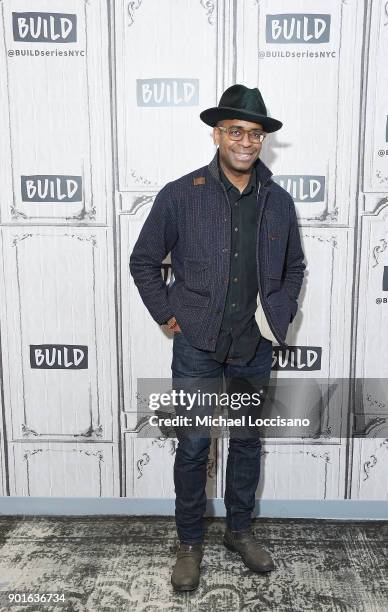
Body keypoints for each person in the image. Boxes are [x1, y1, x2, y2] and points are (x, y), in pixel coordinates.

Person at [129, 84, 306, 592]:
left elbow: (294, 266)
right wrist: (167, 314)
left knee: (247, 444)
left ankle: (240, 531)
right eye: (235, 131)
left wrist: (282, 310)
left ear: (261, 140)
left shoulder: (277, 201)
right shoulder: (182, 194)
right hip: (198, 348)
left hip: (254, 347)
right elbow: (144, 261)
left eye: (254, 133)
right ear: (217, 134)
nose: (245, 142)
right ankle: (189, 543)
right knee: (194, 448)